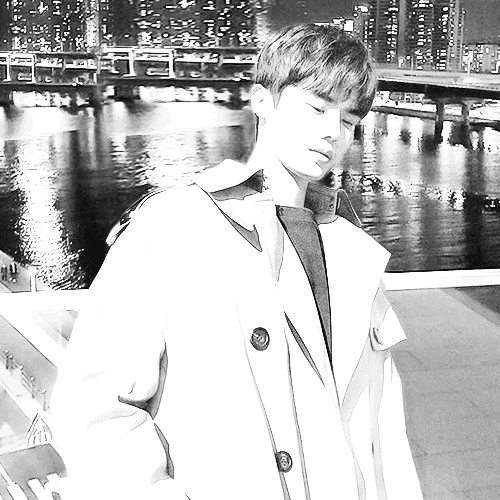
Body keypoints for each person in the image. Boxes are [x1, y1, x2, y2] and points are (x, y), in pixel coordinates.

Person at [50, 23, 423, 500]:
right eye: (316, 107)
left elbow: (383, 436)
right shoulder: (173, 226)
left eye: (349, 120)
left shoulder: (352, 253)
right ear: (262, 101)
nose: (333, 132)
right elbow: (93, 411)